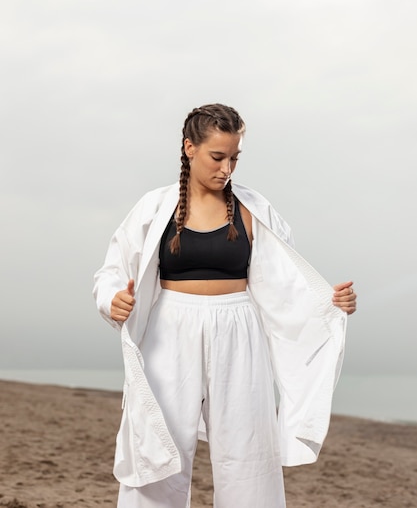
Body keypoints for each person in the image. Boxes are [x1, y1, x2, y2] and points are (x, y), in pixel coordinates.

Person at [93, 103, 357, 508]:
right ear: (189, 148)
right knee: (157, 449)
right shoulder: (154, 208)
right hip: (169, 331)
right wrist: (114, 299)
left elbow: (286, 284)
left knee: (248, 451)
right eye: (218, 157)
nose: (227, 168)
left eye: (234, 158)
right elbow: (111, 271)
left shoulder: (254, 210)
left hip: (240, 331)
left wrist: (329, 303)